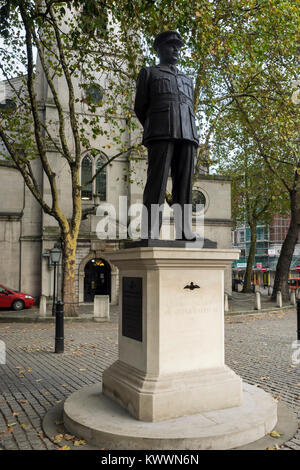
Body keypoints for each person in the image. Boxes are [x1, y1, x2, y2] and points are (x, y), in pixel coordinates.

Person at [134, 30, 200, 240]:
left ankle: (184, 230)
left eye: (178, 47)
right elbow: (140, 107)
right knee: (157, 182)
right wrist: (156, 126)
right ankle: (150, 229)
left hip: (187, 134)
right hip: (161, 133)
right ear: (159, 48)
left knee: (185, 184)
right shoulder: (149, 73)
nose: (175, 50)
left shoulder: (186, 79)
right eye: (171, 46)